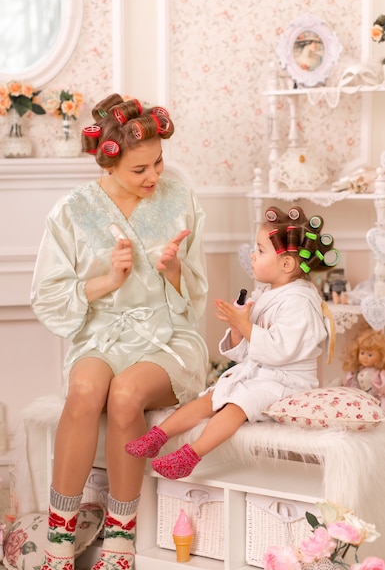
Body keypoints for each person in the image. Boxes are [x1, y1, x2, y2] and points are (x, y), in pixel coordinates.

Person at [30, 93, 208, 570]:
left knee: (126, 395)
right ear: (107, 161)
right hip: (102, 331)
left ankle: (119, 539)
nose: (153, 176)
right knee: (85, 387)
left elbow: (195, 295)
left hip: (169, 334)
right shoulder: (72, 211)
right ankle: (59, 542)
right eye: (139, 169)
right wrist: (108, 280)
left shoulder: (180, 201)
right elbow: (47, 294)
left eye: (158, 163)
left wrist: (173, 269)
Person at [125, 205, 337, 480]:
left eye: (261, 250)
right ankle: (157, 435)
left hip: (286, 383)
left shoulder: (301, 302)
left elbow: (281, 349)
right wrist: (238, 329)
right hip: (261, 373)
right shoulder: (266, 294)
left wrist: (245, 325)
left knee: (236, 405)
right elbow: (247, 353)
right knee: (212, 397)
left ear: (286, 264)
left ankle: (190, 455)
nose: (252, 255)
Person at [342, 326, 385, 409]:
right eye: (362, 353)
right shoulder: (356, 372)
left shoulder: (379, 374)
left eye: (370, 355)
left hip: (376, 401)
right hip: (360, 401)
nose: (365, 357)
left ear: (381, 356)